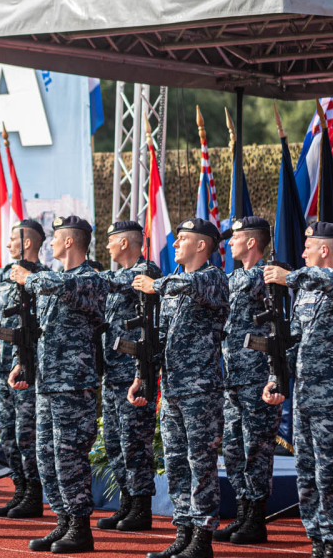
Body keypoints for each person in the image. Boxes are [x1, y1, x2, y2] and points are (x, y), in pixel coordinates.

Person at [263, 222, 333, 558]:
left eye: (308, 245)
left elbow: (331, 281)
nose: (303, 252)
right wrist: (276, 375)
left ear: (324, 249)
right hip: (306, 397)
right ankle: (317, 540)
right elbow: (297, 342)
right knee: (306, 475)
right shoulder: (306, 293)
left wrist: (288, 277)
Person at [10, 216, 109, 553]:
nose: (49, 243)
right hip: (47, 383)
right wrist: (23, 363)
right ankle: (62, 520)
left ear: (69, 241)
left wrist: (30, 277)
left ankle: (80, 526)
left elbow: (62, 288)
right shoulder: (52, 282)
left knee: (70, 456)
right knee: (47, 456)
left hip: (73, 385)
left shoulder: (88, 280)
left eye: (54, 238)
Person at [131, 218, 229, 558]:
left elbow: (191, 285)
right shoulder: (174, 286)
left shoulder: (212, 278)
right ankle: (183, 530)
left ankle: (202, 538)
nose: (175, 244)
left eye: (182, 239)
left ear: (201, 245)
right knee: (175, 463)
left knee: (200, 464)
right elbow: (160, 340)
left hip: (201, 391)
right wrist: (142, 377)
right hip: (173, 388)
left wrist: (154, 286)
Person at [213, 217, 281, 546]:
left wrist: (274, 376)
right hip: (233, 380)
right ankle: (242, 513)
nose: (229, 243)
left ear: (252, 242)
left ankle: (256, 518)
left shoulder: (265, 278)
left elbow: (277, 330)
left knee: (257, 449)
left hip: (257, 379)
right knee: (234, 449)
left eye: (235, 237)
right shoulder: (231, 278)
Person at [96, 220, 160, 533]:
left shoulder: (145, 272)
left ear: (124, 243)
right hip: (112, 374)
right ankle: (127, 503)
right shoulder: (116, 280)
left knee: (135, 443)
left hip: (135, 374)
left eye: (110, 240)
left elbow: (121, 282)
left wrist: (92, 278)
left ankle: (141, 507)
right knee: (114, 444)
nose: (106, 246)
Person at [0, 218, 47, 519]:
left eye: (14, 238)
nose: (9, 244)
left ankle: (34, 494)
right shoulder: (4, 274)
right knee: (9, 434)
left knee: (27, 434)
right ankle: (19, 489)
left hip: (28, 368)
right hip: (4, 368)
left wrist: (22, 362)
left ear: (27, 242)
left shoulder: (43, 278)